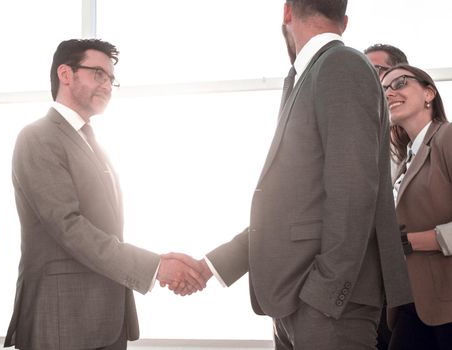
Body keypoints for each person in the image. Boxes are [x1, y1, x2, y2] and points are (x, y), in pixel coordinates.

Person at [167, 0, 413, 348]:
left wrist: (325, 296)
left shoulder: (342, 64)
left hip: (327, 307)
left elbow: (354, 192)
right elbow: (288, 206)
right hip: (294, 302)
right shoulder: (307, 76)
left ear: (286, 12)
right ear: (343, 20)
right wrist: (211, 266)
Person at [3, 38, 206, 350]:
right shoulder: (38, 137)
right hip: (62, 322)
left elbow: (105, 229)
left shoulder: (91, 142)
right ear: (65, 74)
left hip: (104, 320)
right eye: (98, 73)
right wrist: (155, 267)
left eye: (111, 78)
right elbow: (69, 227)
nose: (108, 85)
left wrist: (157, 263)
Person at [381, 64, 452, 350]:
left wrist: (410, 242)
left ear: (429, 93)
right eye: (385, 88)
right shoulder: (405, 159)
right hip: (411, 301)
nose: (389, 93)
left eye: (400, 83)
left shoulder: (447, 138)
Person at [364, 43, 409, 350]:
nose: (369, 79)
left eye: (377, 71)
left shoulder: (431, 139)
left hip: (415, 285)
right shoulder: (362, 139)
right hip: (370, 286)